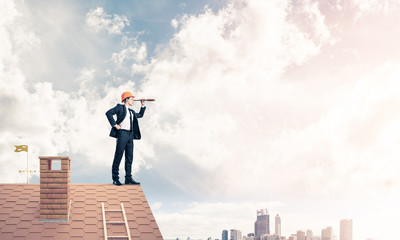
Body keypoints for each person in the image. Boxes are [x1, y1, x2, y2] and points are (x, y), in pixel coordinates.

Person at [105, 91, 146, 186]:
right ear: (126, 99)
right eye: (131, 99)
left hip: (130, 135)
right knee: (118, 156)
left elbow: (140, 115)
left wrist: (142, 105)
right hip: (122, 133)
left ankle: (128, 178)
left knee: (129, 157)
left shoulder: (131, 112)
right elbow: (108, 113)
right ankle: (115, 178)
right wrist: (115, 125)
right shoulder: (120, 107)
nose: (133, 101)